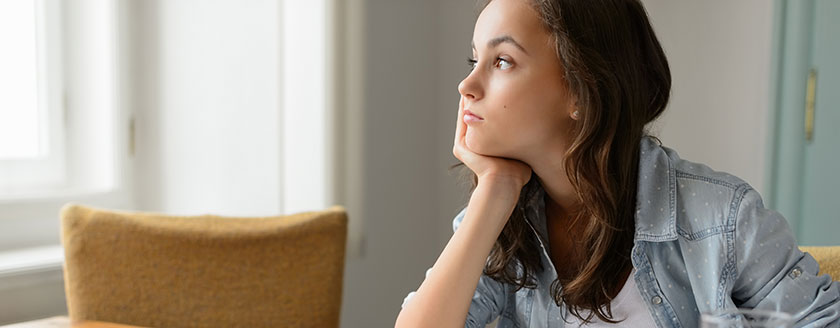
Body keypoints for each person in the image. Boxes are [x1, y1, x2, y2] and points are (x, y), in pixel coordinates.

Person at [393, 0, 840, 327]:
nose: (466, 84)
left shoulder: (720, 218)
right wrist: (493, 191)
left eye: (502, 61)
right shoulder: (503, 220)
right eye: (475, 58)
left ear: (580, 88)